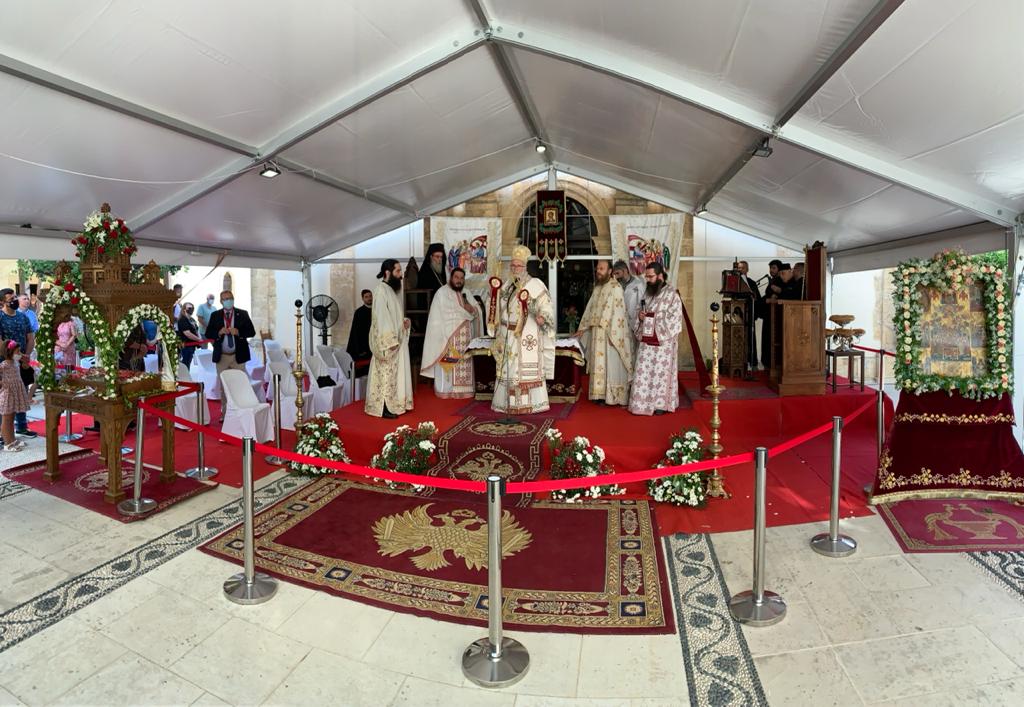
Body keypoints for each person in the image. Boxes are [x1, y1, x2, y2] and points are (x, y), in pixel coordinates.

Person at [491, 245, 555, 415]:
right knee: (508, 370)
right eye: (512, 265)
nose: (514, 269)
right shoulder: (507, 285)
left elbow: (547, 306)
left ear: (525, 267)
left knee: (523, 371)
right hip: (507, 335)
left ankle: (532, 404)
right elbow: (500, 307)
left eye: (518, 266)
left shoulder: (535, 284)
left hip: (526, 335)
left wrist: (543, 316)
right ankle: (506, 404)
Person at [575, 259, 633, 405]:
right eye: (597, 269)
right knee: (598, 364)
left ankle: (610, 396)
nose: (598, 271)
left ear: (610, 271)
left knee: (609, 364)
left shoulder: (616, 288)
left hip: (609, 333)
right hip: (596, 333)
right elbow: (590, 309)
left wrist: (614, 334)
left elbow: (619, 314)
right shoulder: (597, 288)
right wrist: (583, 328)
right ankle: (598, 394)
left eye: (601, 268)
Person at [629, 262, 683, 416]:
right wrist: (640, 317)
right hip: (646, 342)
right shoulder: (648, 293)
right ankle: (641, 403)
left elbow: (675, 320)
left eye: (650, 276)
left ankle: (660, 404)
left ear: (660, 276)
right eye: (646, 276)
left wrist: (653, 320)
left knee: (660, 374)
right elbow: (639, 310)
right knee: (644, 373)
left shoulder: (672, 295)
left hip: (663, 344)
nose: (648, 279)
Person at [365, 259, 414, 418]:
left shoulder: (390, 290)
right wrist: (390, 340)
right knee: (385, 375)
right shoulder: (381, 290)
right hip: (387, 342)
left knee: (393, 375)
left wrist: (404, 322)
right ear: (388, 272)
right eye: (398, 271)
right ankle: (383, 407)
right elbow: (382, 318)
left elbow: (393, 316)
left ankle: (393, 404)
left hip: (394, 340)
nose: (401, 275)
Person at [421, 267, 477, 399]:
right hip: (447, 336)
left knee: (464, 361)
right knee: (448, 363)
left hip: (464, 338)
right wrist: (442, 335)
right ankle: (446, 390)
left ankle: (464, 390)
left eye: (461, 278)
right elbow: (436, 317)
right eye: (456, 277)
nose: (459, 280)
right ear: (451, 278)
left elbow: (476, 311)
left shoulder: (466, 293)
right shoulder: (441, 293)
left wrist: (471, 308)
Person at [205, 290, 256, 421]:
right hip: (222, 357)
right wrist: (218, 332)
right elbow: (208, 333)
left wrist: (239, 332)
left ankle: (241, 411)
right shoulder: (215, 315)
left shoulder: (242, 314)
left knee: (240, 384)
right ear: (221, 301)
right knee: (224, 386)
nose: (228, 301)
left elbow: (252, 331)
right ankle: (225, 412)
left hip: (238, 356)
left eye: (230, 298)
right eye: (225, 299)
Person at [0, 289, 36, 438]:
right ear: (2, 302)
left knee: (21, 391)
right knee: (5, 396)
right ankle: (3, 434)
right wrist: (15, 356)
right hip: (5, 361)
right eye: (11, 299)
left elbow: (30, 337)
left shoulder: (23, 317)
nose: (14, 300)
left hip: (22, 361)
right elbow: (1, 342)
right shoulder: (0, 317)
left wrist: (26, 355)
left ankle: (22, 426)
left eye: (15, 297)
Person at [0, 340, 30, 451]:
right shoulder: (4, 365)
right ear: (10, 352)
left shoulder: (15, 363)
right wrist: (2, 383)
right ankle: (7, 444)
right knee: (6, 420)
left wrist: (24, 359)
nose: (19, 353)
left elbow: (26, 365)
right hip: (7, 394)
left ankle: (12, 440)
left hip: (14, 393)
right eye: (17, 351)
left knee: (11, 418)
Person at [613, 259, 644, 355]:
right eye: (615, 274)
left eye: (618, 273)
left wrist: (641, 320)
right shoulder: (616, 285)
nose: (616, 276)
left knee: (636, 349)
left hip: (635, 321)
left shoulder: (638, 284)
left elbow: (643, 302)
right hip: (621, 322)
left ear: (625, 270)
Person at [737, 260, 760, 370]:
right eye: (739, 268)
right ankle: (738, 362)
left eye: (743, 268)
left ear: (747, 270)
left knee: (751, 339)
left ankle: (753, 363)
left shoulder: (752, 283)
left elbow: (757, 298)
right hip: (737, 316)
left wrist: (755, 314)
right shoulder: (734, 282)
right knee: (738, 338)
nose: (740, 270)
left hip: (749, 315)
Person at [760, 259, 783, 368]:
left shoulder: (780, 281)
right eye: (770, 268)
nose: (771, 270)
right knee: (766, 339)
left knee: (771, 339)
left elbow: (775, 297)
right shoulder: (773, 280)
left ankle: (771, 364)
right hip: (768, 314)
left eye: (774, 268)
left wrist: (769, 299)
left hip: (775, 316)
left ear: (779, 269)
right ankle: (767, 364)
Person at [346, 289, 373, 368]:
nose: (369, 298)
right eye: (366, 297)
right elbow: (355, 332)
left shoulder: (376, 310)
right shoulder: (359, 312)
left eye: (370, 296)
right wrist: (360, 350)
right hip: (363, 346)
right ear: (363, 299)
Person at [177, 303, 203, 368]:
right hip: (186, 346)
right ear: (184, 309)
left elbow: (196, 330)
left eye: (192, 308)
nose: (191, 309)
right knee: (186, 363)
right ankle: (184, 374)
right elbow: (187, 333)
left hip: (192, 345)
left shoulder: (191, 319)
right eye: (189, 308)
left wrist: (199, 337)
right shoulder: (182, 319)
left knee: (188, 362)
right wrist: (198, 339)